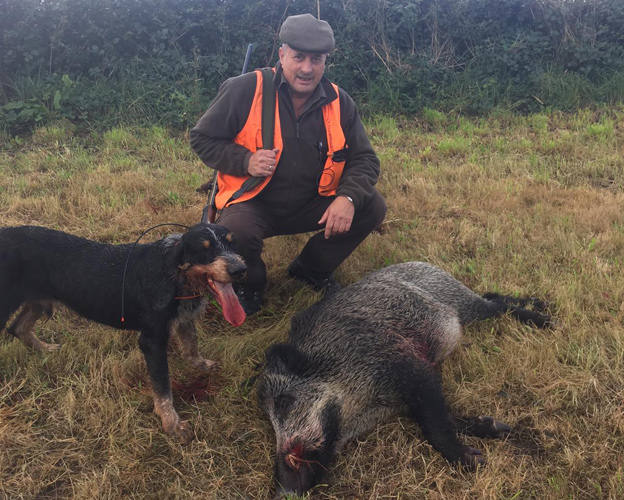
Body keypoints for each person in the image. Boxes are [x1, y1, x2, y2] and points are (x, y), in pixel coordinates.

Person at [190, 13, 386, 315]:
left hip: (312, 202)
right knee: (234, 231)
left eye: (316, 59)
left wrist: (346, 198)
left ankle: (310, 270)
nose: (307, 68)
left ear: (325, 62)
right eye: (298, 57)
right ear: (282, 55)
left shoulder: (340, 101)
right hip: (254, 202)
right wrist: (245, 160)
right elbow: (203, 138)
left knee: (370, 205)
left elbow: (365, 159)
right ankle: (250, 284)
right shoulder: (244, 89)